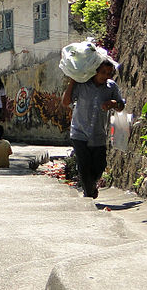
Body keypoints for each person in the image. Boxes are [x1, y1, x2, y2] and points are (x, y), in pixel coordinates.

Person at [62, 60, 125, 199]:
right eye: (103, 72)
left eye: (109, 73)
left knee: (100, 166)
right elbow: (66, 102)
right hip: (79, 132)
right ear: (95, 71)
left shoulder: (111, 87)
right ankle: (89, 192)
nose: (106, 76)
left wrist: (114, 103)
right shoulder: (82, 85)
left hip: (99, 134)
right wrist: (72, 81)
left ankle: (90, 185)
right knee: (84, 165)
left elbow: (121, 106)